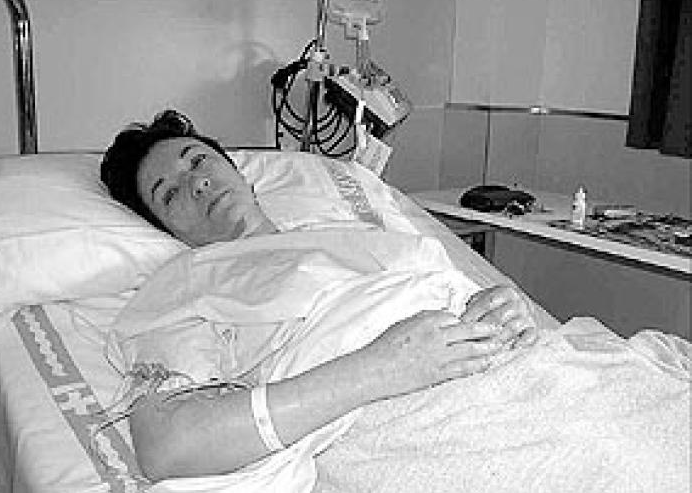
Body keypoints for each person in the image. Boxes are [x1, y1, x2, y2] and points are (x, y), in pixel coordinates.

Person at [100, 110, 537, 481]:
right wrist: (382, 369)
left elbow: (446, 288)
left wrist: (500, 306)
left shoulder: (357, 234)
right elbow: (167, 447)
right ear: (165, 228)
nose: (196, 184)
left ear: (238, 172)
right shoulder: (185, 285)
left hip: (523, 376)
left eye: (197, 161)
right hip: (415, 427)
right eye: (169, 193)